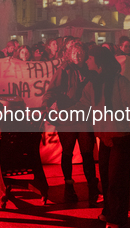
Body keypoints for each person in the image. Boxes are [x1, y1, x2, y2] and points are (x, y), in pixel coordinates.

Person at [71, 46, 130, 228]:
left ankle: (117, 219)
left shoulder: (121, 83)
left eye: (89, 58)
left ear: (99, 62)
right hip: (106, 140)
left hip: (121, 139)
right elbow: (83, 106)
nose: (86, 61)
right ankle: (109, 212)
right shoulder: (93, 84)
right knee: (106, 180)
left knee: (117, 182)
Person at [42, 41, 101, 206]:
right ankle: (69, 186)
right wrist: (46, 104)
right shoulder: (64, 70)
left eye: (80, 53)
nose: (78, 56)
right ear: (69, 55)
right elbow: (52, 90)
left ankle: (92, 187)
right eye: (74, 53)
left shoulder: (90, 71)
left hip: (84, 117)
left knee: (87, 153)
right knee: (67, 152)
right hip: (67, 117)